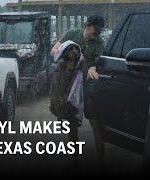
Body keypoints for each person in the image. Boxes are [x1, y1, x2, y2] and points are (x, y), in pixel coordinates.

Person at [50, 15, 106, 162]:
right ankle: (73, 156)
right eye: (96, 30)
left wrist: (92, 68)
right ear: (87, 26)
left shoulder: (100, 44)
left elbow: (97, 65)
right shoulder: (72, 34)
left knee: (95, 121)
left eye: (100, 31)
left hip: (88, 88)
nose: (98, 34)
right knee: (71, 120)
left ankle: (101, 158)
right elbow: (54, 51)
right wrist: (68, 57)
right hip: (70, 85)